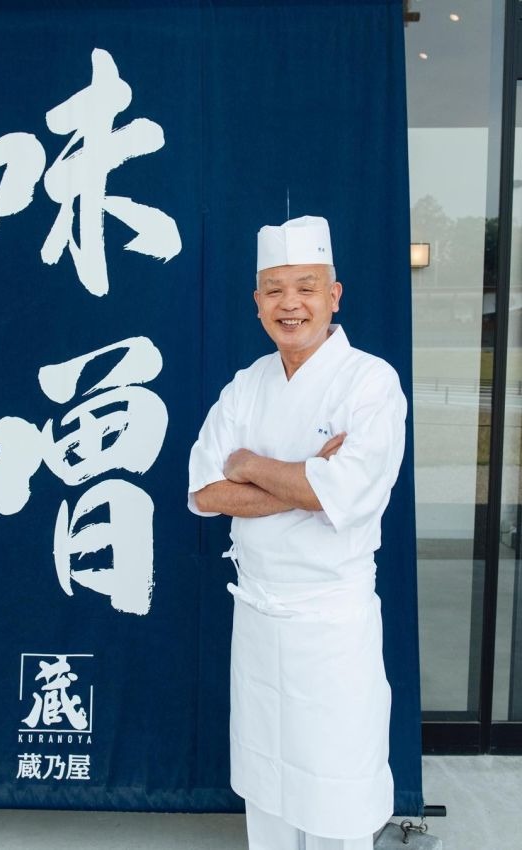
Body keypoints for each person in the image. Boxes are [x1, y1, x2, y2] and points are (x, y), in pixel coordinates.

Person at [187, 215, 407, 850]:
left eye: (306, 287)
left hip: (331, 620)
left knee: (336, 782)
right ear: (257, 302)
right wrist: (310, 478)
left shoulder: (370, 381)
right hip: (258, 613)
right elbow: (203, 493)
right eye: (275, 290)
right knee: (269, 783)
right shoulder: (246, 385)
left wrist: (250, 465)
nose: (291, 304)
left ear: (334, 295)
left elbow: (348, 494)